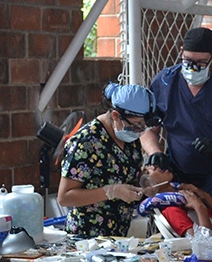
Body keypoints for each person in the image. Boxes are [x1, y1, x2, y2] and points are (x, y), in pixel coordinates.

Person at [142, 27, 212, 233]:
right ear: (180, 52)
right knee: (185, 239)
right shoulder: (165, 83)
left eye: (201, 63)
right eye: (187, 61)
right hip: (179, 175)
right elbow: (148, 130)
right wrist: (155, 152)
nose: (193, 68)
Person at [58, 83, 160, 238]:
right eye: (137, 125)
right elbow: (64, 197)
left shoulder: (129, 137)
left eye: (143, 127)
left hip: (119, 236)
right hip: (87, 237)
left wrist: (144, 182)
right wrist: (110, 192)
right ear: (116, 116)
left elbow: (126, 174)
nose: (139, 131)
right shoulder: (86, 142)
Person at [138, 162, 212, 237]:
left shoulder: (188, 196)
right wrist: (199, 207)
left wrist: (205, 196)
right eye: (148, 172)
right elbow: (204, 243)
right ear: (150, 187)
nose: (155, 167)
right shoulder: (172, 211)